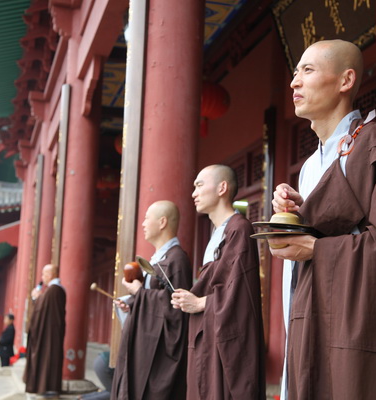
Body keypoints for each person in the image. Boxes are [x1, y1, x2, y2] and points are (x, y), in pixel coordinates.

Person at [269, 39, 376, 399]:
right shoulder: (311, 165)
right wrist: (298, 215)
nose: (294, 82)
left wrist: (316, 248)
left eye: (307, 70)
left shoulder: (373, 141)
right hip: (311, 315)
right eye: (295, 73)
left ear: (345, 81)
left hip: (355, 325)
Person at [171, 165, 265, 400]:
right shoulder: (217, 233)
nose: (194, 193)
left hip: (224, 339)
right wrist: (189, 299)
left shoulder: (239, 229)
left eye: (199, 185)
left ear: (222, 187)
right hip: (208, 332)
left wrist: (202, 303)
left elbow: (241, 294)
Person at [111, 200, 192, 400]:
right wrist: (132, 304)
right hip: (144, 343)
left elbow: (176, 309)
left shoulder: (176, 260)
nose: (143, 224)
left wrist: (140, 293)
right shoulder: (158, 259)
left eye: (147, 218)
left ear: (162, 222)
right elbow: (154, 302)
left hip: (159, 351)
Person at [23, 264, 66, 396]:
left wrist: (37, 297)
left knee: (48, 358)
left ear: (51, 274)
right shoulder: (53, 290)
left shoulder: (54, 290)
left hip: (49, 334)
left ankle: (47, 387)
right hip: (50, 332)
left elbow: (41, 309)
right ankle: (46, 386)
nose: (42, 277)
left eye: (44, 274)